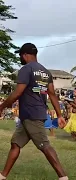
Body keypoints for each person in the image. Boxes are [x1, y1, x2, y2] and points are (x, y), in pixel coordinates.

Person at [0, 43, 68, 180]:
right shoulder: (45, 72)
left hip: (32, 115)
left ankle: (63, 177)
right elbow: (51, 94)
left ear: (25, 55)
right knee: (15, 144)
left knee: (44, 145)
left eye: (20, 55)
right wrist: (59, 115)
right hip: (32, 115)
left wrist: (1, 107)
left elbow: (18, 92)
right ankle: (2, 176)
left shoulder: (26, 69)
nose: (20, 58)